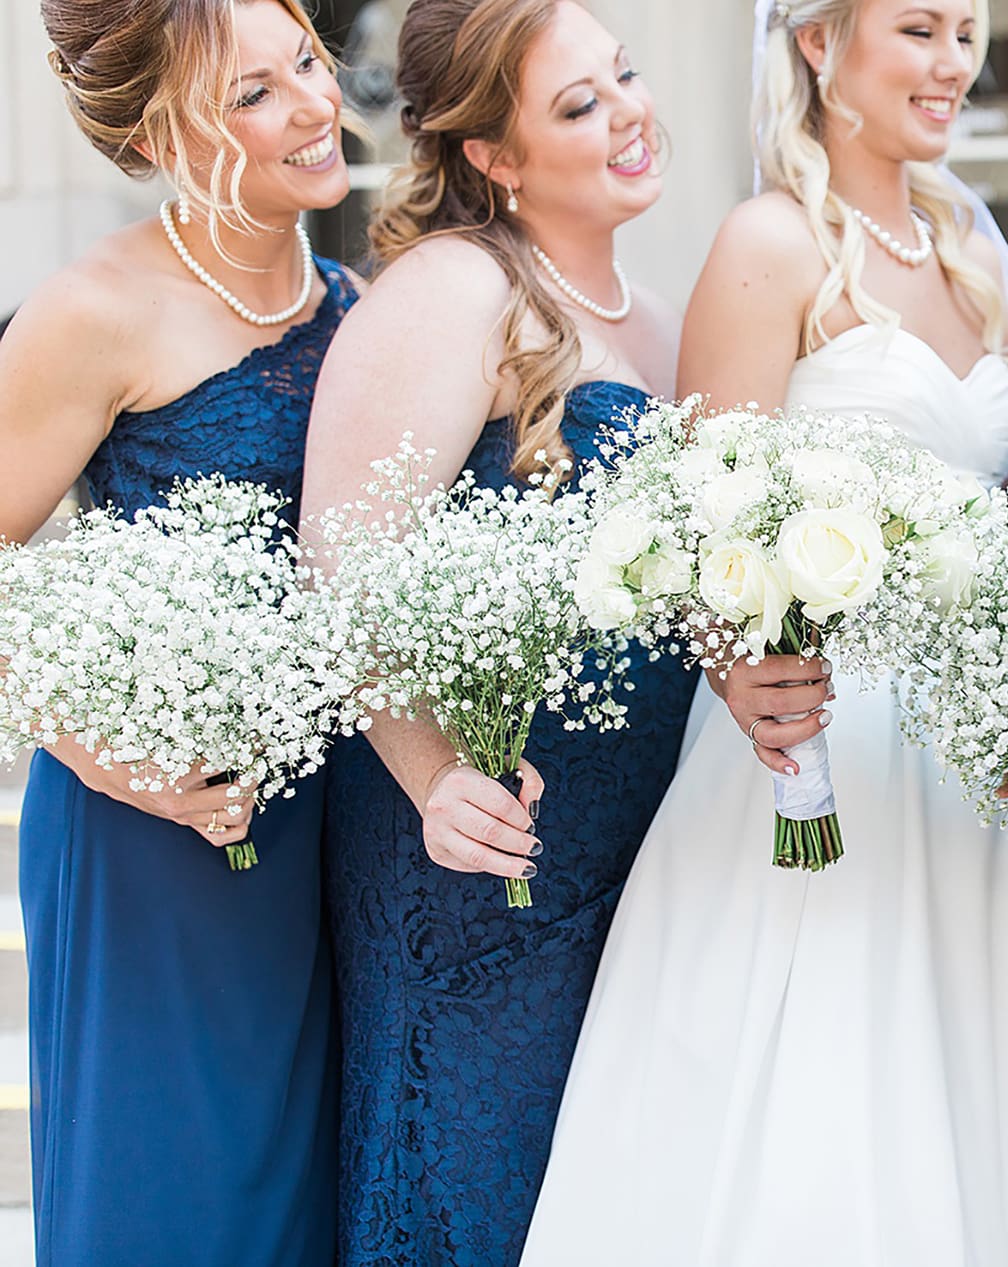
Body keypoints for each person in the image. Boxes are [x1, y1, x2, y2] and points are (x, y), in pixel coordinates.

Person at [522, 1, 1008, 1263]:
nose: (955, 62)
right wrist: (740, 672)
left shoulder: (967, 242)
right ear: (819, 43)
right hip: (811, 746)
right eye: (919, 28)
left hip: (968, 763)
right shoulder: (770, 240)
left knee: (974, 1111)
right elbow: (701, 516)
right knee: (808, 1106)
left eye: (967, 30)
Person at [297, 1, 697, 1261]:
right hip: (480, 854)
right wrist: (435, 778)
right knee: (476, 1186)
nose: (629, 113)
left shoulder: (661, 317)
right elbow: (338, 574)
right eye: (579, 104)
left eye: (623, 75)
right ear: (493, 155)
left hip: (639, 856)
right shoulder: (454, 289)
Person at [1, 1, 354, 1261]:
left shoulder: (362, 306)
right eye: (252, 94)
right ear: (158, 135)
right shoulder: (92, 312)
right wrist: (105, 755)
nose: (313, 105)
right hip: (154, 832)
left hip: (336, 841)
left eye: (305, 61)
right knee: (174, 1207)